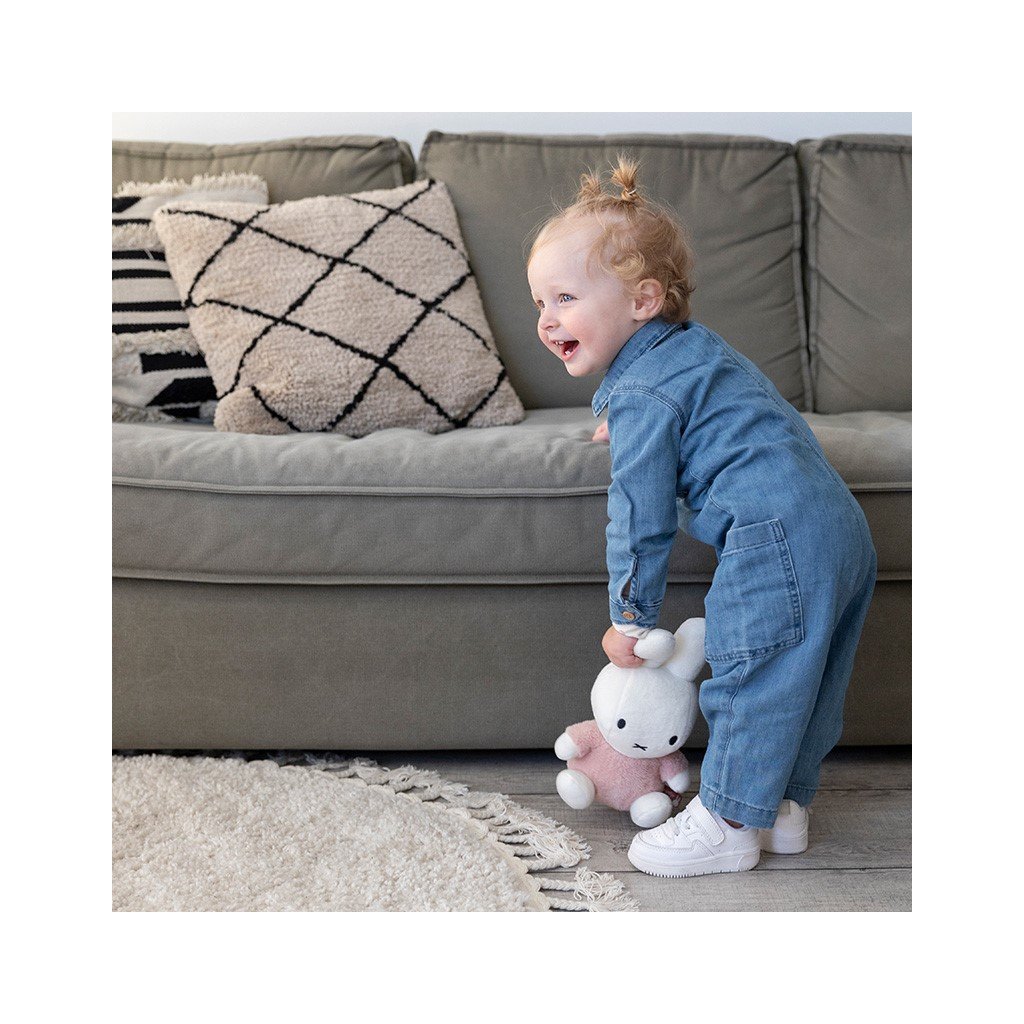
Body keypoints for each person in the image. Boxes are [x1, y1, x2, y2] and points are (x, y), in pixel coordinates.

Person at [525, 155, 877, 879]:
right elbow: (715, 416)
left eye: (564, 297)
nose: (547, 318)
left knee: (751, 674)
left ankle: (726, 823)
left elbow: (639, 516)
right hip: (838, 526)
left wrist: (630, 619)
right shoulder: (695, 354)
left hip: (773, 535)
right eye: (539, 303)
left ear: (643, 300)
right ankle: (780, 808)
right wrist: (633, 425)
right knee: (804, 678)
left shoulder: (643, 396)